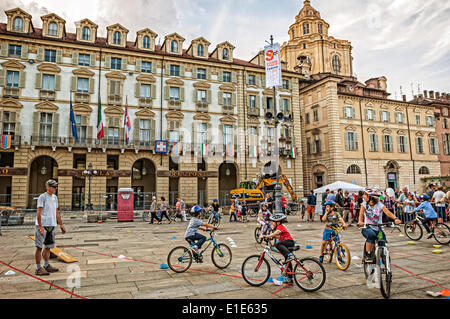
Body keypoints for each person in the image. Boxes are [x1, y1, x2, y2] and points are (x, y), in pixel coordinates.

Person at [358, 187, 401, 263]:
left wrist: (395, 219)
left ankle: (385, 260)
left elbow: (387, 212)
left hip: (379, 229)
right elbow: (361, 215)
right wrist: (360, 222)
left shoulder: (379, 204)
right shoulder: (364, 204)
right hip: (367, 227)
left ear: (370, 197)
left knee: (382, 242)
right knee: (371, 235)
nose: (363, 196)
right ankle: (368, 254)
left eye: (365, 194)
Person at [34, 180, 66, 276]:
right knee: (39, 247)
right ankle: (38, 267)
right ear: (48, 187)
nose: (55, 188)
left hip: (51, 225)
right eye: (53, 186)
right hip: (43, 225)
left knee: (48, 247)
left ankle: (47, 265)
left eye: (56, 186)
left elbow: (56, 212)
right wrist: (40, 226)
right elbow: (38, 213)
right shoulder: (42, 197)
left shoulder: (55, 198)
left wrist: (61, 224)